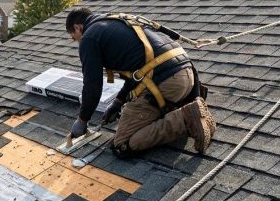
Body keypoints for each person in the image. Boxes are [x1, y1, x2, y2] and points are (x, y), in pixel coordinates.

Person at [65, 8, 216, 157]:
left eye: (74, 37)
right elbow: (139, 72)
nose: (78, 42)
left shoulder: (89, 38)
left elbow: (92, 86)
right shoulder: (117, 20)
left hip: (168, 83)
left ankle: (184, 119)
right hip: (188, 77)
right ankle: (191, 109)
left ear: (78, 27)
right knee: (150, 116)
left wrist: (82, 120)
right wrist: (118, 101)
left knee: (122, 144)